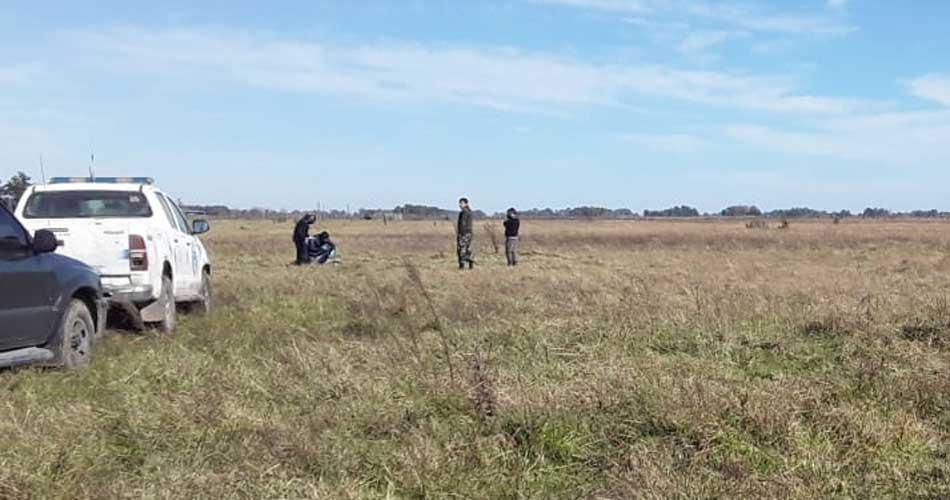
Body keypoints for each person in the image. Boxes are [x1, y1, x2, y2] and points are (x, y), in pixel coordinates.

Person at [457, 198, 474, 270]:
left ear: (466, 204)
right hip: (469, 233)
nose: (460, 205)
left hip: (464, 233)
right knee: (467, 249)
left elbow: (463, 223)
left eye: (461, 203)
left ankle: (462, 265)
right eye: (459, 203)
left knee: (461, 249)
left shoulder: (464, 212)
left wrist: (461, 233)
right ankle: (470, 262)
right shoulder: (469, 211)